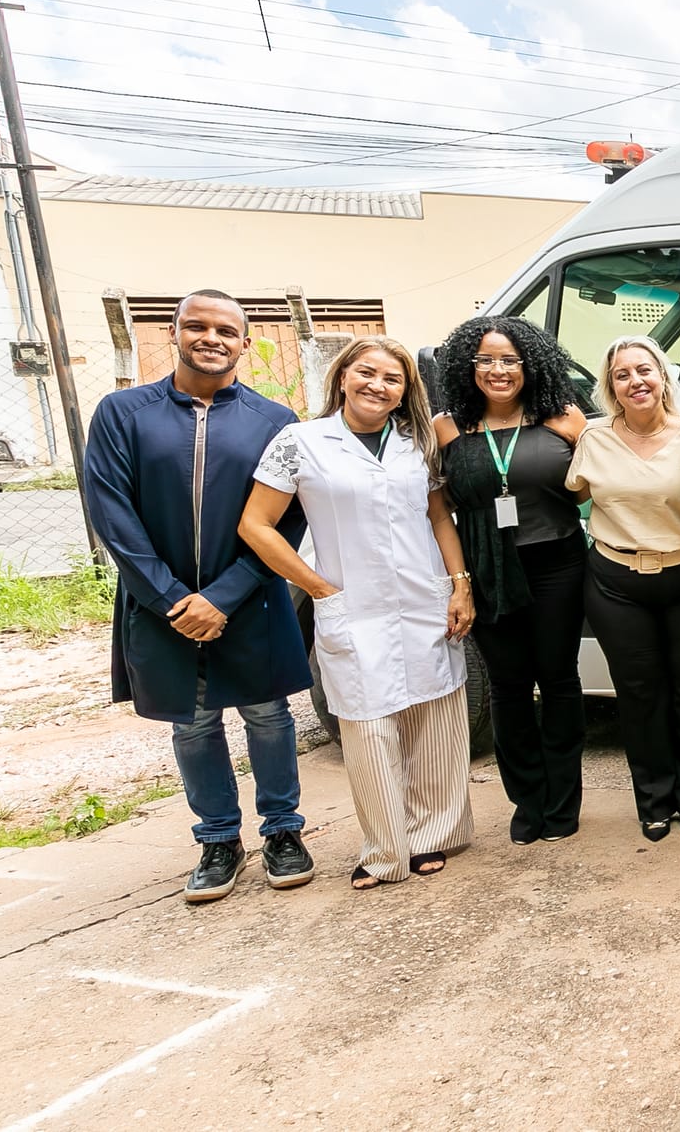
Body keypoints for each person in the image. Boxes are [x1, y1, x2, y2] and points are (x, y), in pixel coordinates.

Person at [80, 290, 315, 903]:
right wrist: (171, 600)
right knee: (193, 720)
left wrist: (227, 594)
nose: (211, 338)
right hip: (162, 603)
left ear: (244, 342)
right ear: (175, 333)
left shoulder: (274, 421)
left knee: (268, 715)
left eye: (225, 330)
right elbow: (111, 513)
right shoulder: (122, 413)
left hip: (248, 596)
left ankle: (284, 832)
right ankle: (218, 841)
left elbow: (288, 522)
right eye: (197, 326)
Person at [239, 337, 475, 888]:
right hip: (352, 605)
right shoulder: (300, 441)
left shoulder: (416, 444)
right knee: (369, 731)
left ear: (404, 393)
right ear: (342, 376)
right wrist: (319, 588)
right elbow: (255, 525)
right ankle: (385, 850)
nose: (378, 385)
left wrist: (460, 585)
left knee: (434, 724)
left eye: (392, 379)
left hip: (425, 599)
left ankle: (432, 837)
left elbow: (439, 517)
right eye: (366, 373)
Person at [433, 316, 588, 845]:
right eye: (485, 360)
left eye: (509, 360)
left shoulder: (564, 420)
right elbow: (439, 513)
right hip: (487, 569)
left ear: (530, 364)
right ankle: (528, 801)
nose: (498, 370)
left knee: (560, 680)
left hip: (558, 566)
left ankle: (564, 803)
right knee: (509, 687)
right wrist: (460, 582)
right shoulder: (448, 428)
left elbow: (594, 491)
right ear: (466, 366)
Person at [569, 336, 680, 841]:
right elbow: (576, 492)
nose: (635, 381)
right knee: (638, 694)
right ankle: (654, 800)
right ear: (610, 387)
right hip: (616, 583)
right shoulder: (593, 439)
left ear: (662, 376)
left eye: (644, 370)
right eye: (621, 374)